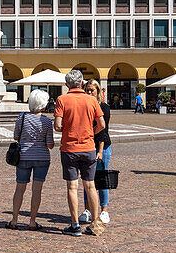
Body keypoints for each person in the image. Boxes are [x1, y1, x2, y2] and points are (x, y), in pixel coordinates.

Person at [53, 69, 105, 236]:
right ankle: (95, 224)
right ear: (82, 83)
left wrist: (69, 129)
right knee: (91, 185)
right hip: (89, 147)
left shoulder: (62, 99)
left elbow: (58, 126)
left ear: (67, 84)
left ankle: (75, 225)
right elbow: (102, 124)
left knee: (72, 187)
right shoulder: (91, 100)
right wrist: (90, 132)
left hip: (69, 148)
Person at [9, 89, 55, 230]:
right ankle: (32, 221)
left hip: (23, 157)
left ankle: (14, 219)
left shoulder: (21, 117)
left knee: (20, 188)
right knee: (37, 190)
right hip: (41, 157)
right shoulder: (47, 122)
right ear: (43, 105)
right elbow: (50, 145)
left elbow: (16, 137)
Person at [79, 82, 113, 226]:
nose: (89, 93)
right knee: (87, 180)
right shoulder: (85, 106)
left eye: (92, 90)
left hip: (102, 147)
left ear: (98, 91)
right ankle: (87, 210)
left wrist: (100, 150)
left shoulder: (103, 107)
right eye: (87, 90)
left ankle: (104, 210)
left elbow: (103, 131)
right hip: (87, 146)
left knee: (102, 178)